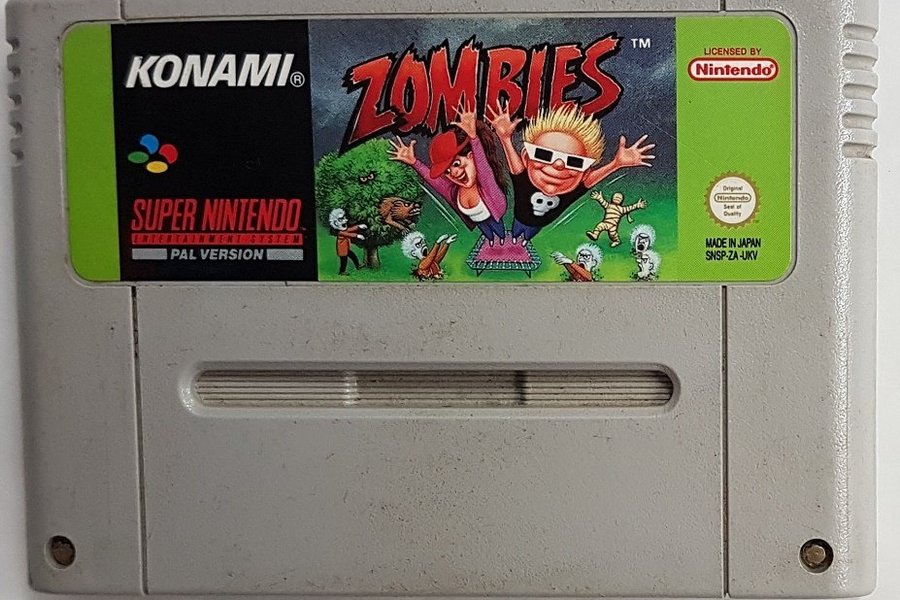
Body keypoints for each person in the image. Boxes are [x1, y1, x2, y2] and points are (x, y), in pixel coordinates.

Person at [488, 103, 655, 243]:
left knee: (528, 236)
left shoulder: (574, 188)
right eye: (544, 155)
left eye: (574, 162)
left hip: (539, 225)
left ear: (584, 173)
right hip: (519, 218)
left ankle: (523, 242)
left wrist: (617, 164)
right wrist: (505, 138)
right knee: (517, 231)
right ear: (526, 158)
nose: (558, 165)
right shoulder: (523, 180)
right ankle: (516, 239)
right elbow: (515, 164)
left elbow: (591, 180)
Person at [389, 104, 508, 246]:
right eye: (447, 171)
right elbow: (434, 181)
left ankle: (502, 242)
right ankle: (492, 243)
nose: (455, 173)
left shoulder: (486, 185)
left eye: (456, 164)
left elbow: (484, 169)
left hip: (495, 216)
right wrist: (414, 162)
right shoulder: (454, 192)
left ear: (471, 157)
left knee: (500, 235)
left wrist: (473, 138)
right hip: (480, 223)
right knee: (488, 236)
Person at [328, 208, 366, 276]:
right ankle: (342, 271)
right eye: (341, 219)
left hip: (345, 248)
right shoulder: (340, 232)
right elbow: (348, 234)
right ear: (336, 223)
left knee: (352, 256)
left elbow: (349, 230)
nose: (345, 220)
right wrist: (357, 235)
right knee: (344, 261)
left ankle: (358, 266)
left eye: (344, 217)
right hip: (342, 249)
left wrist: (359, 226)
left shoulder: (343, 230)